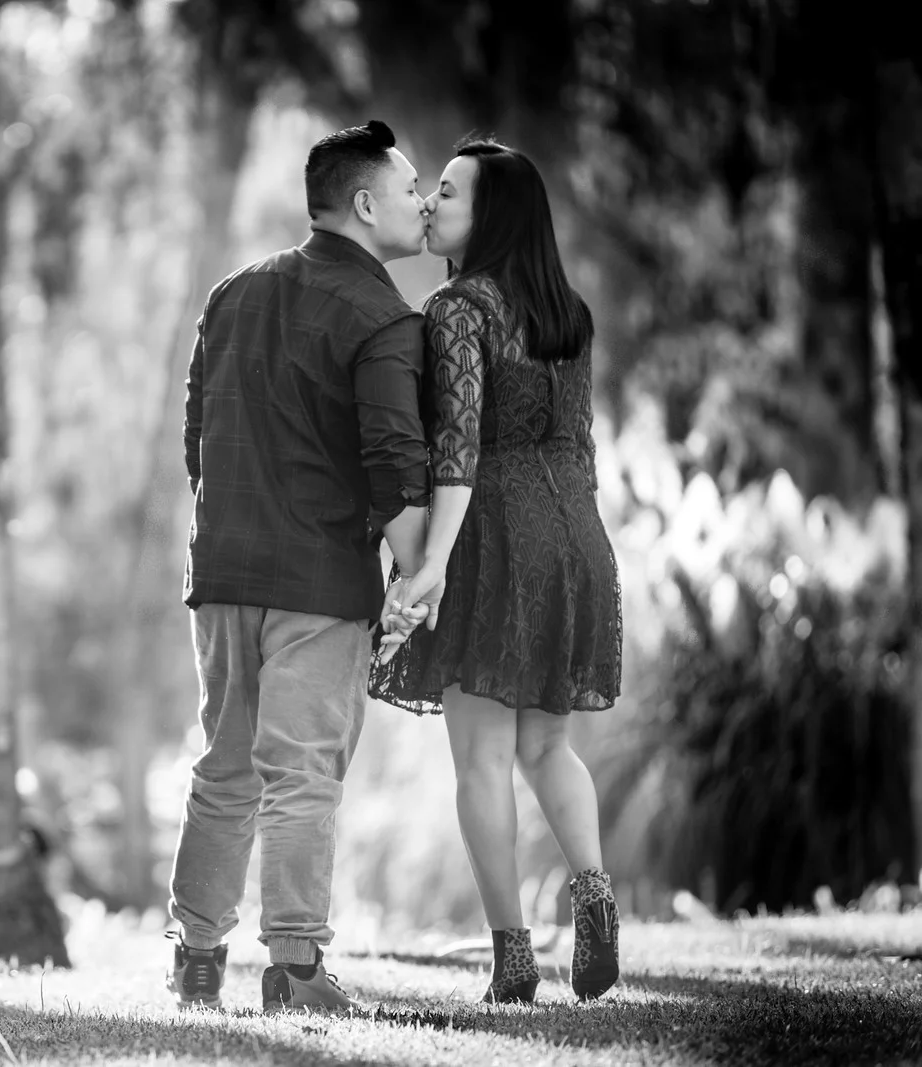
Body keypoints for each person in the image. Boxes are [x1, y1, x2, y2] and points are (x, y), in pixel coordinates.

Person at [164, 120, 433, 1013]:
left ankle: (197, 962)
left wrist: (231, 526)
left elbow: (197, 440)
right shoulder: (385, 318)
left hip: (224, 573)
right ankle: (295, 969)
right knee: (302, 776)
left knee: (225, 767)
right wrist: (415, 578)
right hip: (319, 582)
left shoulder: (231, 293)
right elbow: (395, 462)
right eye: (408, 189)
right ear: (364, 205)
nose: (421, 202)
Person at [372, 138, 623, 1004]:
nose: (429, 204)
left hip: (489, 532)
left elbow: (458, 446)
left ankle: (514, 956)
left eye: (447, 192)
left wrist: (430, 564)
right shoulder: (569, 313)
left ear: (495, 215)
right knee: (548, 746)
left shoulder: (456, 309)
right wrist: (577, 546)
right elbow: (580, 445)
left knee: (482, 758)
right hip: (575, 534)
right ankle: (594, 897)